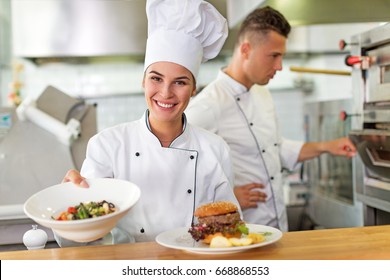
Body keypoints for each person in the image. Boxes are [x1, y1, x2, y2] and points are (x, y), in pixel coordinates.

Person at [62, 0, 240, 242]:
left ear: (194, 89)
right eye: (156, 79)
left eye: (180, 82)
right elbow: (84, 234)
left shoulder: (215, 149)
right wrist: (71, 199)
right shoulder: (107, 145)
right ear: (143, 81)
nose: (166, 93)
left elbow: (228, 228)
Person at [185, 6, 357, 232]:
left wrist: (328, 146)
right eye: (274, 56)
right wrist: (222, 198)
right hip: (241, 233)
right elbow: (179, 169)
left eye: (282, 56)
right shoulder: (209, 105)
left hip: (277, 228)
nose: (279, 66)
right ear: (246, 49)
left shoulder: (262, 93)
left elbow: (276, 148)